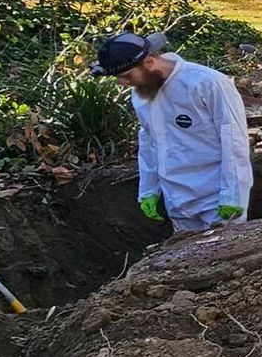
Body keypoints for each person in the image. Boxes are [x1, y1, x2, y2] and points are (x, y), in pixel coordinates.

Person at [92, 30, 253, 234]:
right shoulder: (141, 94)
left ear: (149, 62)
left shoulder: (207, 83)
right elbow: (149, 141)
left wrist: (233, 196)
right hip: (177, 199)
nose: (122, 83)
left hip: (215, 196)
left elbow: (234, 140)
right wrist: (149, 189)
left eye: (126, 76)